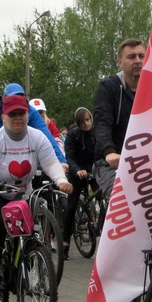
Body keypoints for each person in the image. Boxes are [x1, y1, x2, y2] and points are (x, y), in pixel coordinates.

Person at [0, 96, 72, 291]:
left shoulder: (37, 137)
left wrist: (61, 181)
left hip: (21, 194)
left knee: (32, 230)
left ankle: (33, 270)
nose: (17, 118)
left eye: (22, 113)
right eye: (12, 114)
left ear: (28, 115)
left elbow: (51, 163)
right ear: (3, 117)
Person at [92, 39, 145, 200]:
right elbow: (102, 123)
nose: (138, 61)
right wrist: (109, 152)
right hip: (112, 161)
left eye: (141, 56)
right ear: (120, 62)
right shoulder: (109, 88)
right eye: (131, 57)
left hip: (145, 159)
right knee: (121, 199)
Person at [0, 83, 66, 169]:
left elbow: (46, 135)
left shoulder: (31, 110)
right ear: (3, 99)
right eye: (12, 114)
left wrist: (61, 160)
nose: (16, 102)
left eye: (20, 98)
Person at [61, 107, 96, 259]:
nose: (86, 124)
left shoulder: (96, 133)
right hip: (78, 174)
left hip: (94, 172)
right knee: (71, 206)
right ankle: (65, 242)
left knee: (107, 198)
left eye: (88, 120)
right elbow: (69, 156)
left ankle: (97, 223)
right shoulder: (73, 135)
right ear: (78, 123)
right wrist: (76, 170)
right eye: (83, 122)